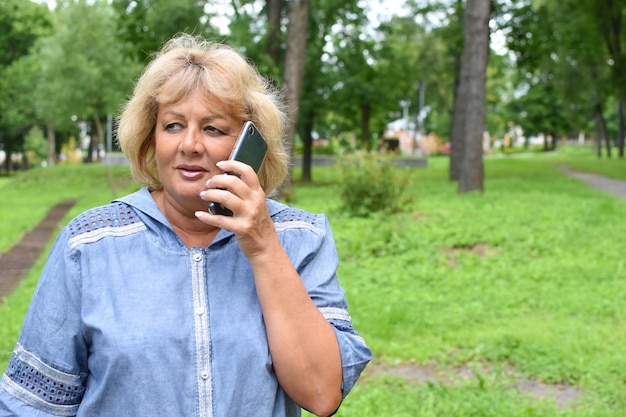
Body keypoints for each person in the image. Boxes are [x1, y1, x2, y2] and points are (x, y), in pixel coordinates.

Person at [0, 34, 371, 417]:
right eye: (174, 125)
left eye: (213, 129)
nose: (190, 144)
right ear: (150, 138)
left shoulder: (299, 238)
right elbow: (32, 406)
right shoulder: (90, 244)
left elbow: (321, 393)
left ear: (251, 143)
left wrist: (262, 246)